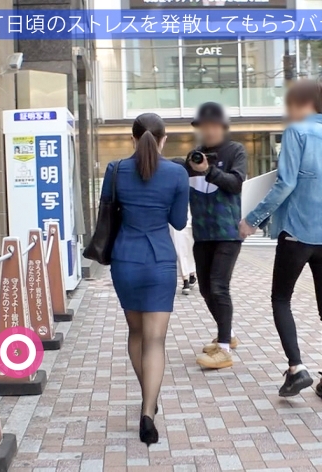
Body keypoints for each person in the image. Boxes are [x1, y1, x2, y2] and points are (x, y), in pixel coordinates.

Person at [239, 80, 322, 404]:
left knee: (281, 298)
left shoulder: (297, 132)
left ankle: (296, 368)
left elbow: (285, 184)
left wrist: (252, 220)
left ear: (306, 104)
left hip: (297, 233)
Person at [100, 113, 189, 444]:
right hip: (160, 262)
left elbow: (106, 213)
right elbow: (178, 222)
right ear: (164, 139)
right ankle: (148, 411)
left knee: (136, 333)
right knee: (155, 341)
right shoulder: (177, 173)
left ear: (133, 139)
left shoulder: (116, 170)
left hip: (125, 259)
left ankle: (148, 396)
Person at [181, 102, 247, 370]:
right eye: (203, 126)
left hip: (228, 233)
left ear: (222, 127)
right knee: (206, 289)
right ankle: (226, 335)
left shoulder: (235, 150)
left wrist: (209, 171)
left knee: (219, 286)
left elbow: (236, 183)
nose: (208, 131)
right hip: (202, 234)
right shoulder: (194, 155)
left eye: (213, 126)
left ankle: (224, 351)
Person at [169, 209, 198, 295]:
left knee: (190, 249)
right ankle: (185, 279)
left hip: (191, 219)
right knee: (180, 250)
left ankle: (191, 274)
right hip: (179, 220)